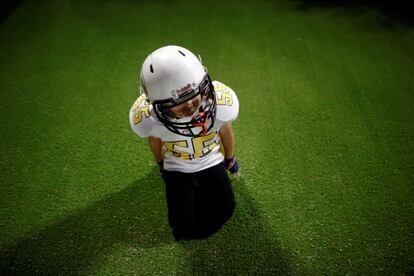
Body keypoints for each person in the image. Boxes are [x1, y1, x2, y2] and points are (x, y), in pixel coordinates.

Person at [129, 45, 240, 240]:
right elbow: (154, 139)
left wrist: (229, 159)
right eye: (178, 103)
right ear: (158, 105)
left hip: (211, 160)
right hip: (177, 166)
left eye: (192, 97)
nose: (189, 106)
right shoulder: (151, 119)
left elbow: (225, 128)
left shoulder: (219, 106)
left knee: (226, 207)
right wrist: (161, 163)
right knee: (181, 224)